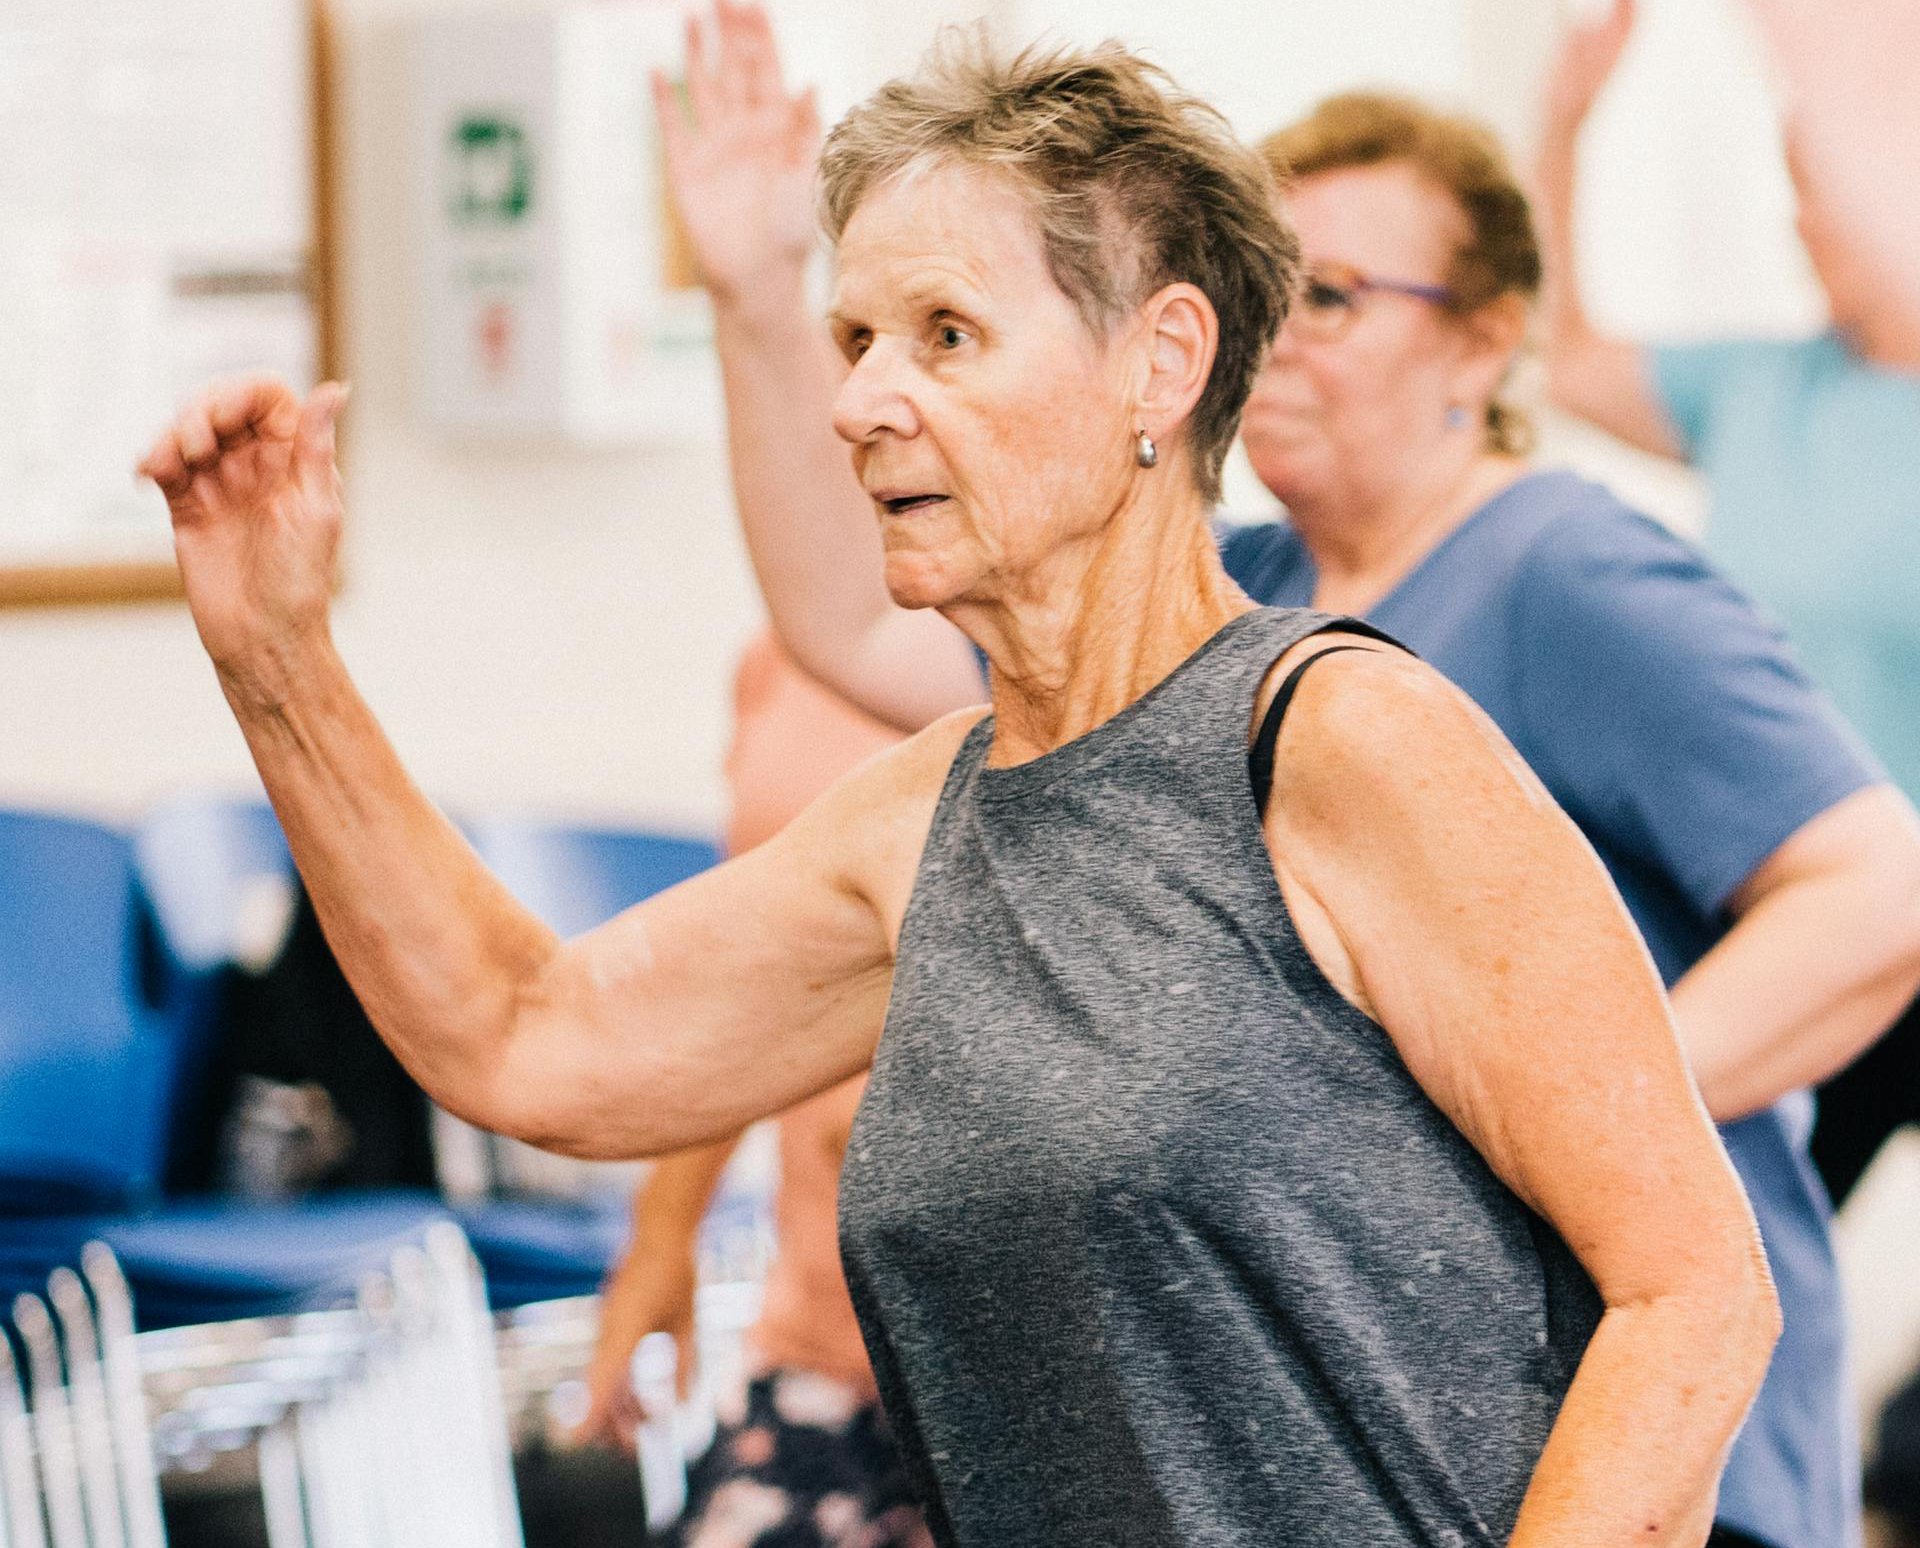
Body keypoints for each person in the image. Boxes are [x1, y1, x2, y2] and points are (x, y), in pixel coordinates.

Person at [142, 30, 1779, 1547]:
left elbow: (1693, 1292)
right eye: (856, 339)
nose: (861, 399)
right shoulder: (922, 818)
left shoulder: (1339, 743)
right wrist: (276, 654)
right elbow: (528, 1033)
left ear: (1162, 364)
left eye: (944, 335)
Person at [647, 12, 1920, 1546]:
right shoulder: (1244, 595)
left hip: (1634, 1447)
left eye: (1342, 294)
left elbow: (1883, 895)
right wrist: (748, 296)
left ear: (1483, 336)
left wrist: (1521, 1111)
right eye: (1278, 284)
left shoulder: (1564, 573)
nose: (1288, 332)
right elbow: (847, 620)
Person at [1535, 0, 1920, 1211]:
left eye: (1825, 188)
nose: (1800, 221)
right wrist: (1565, 127)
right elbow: (1566, 356)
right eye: (1796, 185)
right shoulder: (1763, 386)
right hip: (1807, 917)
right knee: (1735, 1234)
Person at [577, 634, 925, 1548]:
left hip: (1050, 1377)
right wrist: (662, 1232)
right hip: (832, 1331)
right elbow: (754, 984)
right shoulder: (788, 657)